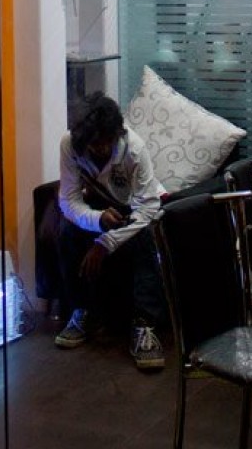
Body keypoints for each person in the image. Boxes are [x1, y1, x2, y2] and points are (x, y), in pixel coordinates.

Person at [54, 91, 167, 370]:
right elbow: (68, 200)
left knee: (144, 237)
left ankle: (144, 324)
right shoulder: (70, 145)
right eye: (94, 145)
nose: (101, 149)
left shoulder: (135, 149)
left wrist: (105, 243)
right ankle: (81, 310)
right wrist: (97, 220)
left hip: (135, 208)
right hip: (99, 207)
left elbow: (147, 207)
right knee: (66, 230)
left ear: (117, 133)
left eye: (106, 142)